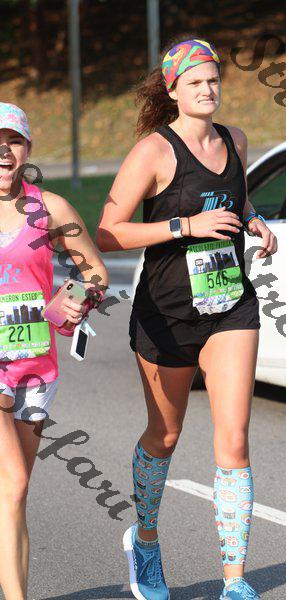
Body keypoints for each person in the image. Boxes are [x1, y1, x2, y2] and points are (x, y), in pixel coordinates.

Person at [96, 36, 277, 600]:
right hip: (166, 312)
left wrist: (255, 220)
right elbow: (108, 233)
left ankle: (235, 582)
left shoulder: (235, 139)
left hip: (230, 305)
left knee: (235, 440)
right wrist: (184, 227)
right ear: (172, 90)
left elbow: (234, 198)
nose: (207, 89)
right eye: (195, 82)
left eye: (213, 80)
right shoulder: (154, 152)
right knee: (165, 434)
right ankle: (145, 540)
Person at [0, 102, 108, 600]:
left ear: (28, 149)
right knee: (14, 483)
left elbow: (94, 272)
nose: (4, 152)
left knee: (14, 495)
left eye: (13, 141)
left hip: (35, 366)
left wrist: (77, 299)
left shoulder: (51, 209)